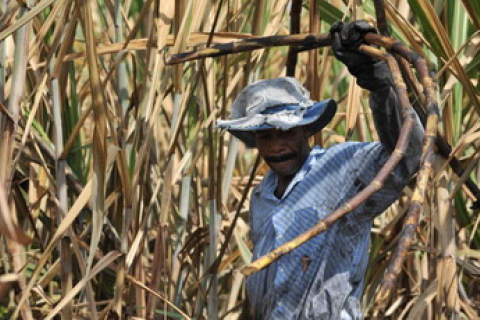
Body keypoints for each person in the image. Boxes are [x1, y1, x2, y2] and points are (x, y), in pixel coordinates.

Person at [216, 21, 424, 319]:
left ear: (307, 131)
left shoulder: (341, 168)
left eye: (286, 133)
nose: (276, 146)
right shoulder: (262, 195)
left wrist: (376, 80)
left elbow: (404, 155)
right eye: (266, 136)